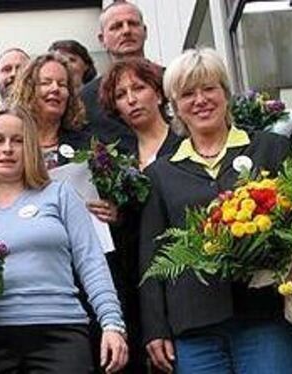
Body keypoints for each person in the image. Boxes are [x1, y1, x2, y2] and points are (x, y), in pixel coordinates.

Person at [139, 48, 292, 373]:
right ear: (175, 107)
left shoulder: (270, 148)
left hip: (264, 316)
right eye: (187, 93)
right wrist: (155, 328)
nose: (200, 100)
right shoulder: (160, 173)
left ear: (226, 93)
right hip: (194, 326)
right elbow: (153, 255)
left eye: (209, 88)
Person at [0, 105, 128, 374]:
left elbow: (92, 262)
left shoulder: (60, 194)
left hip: (61, 334)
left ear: (30, 147)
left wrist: (112, 324)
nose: (8, 148)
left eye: (17, 140)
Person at [98, 57, 182, 373]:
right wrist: (114, 217)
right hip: (135, 283)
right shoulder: (116, 161)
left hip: (184, 280)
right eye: (121, 95)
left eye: (139, 88)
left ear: (159, 94)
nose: (131, 99)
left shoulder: (186, 143)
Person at [81, 0, 149, 154]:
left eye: (132, 23)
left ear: (145, 31)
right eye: (116, 26)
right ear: (102, 39)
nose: (126, 31)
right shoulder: (86, 98)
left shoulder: (170, 81)